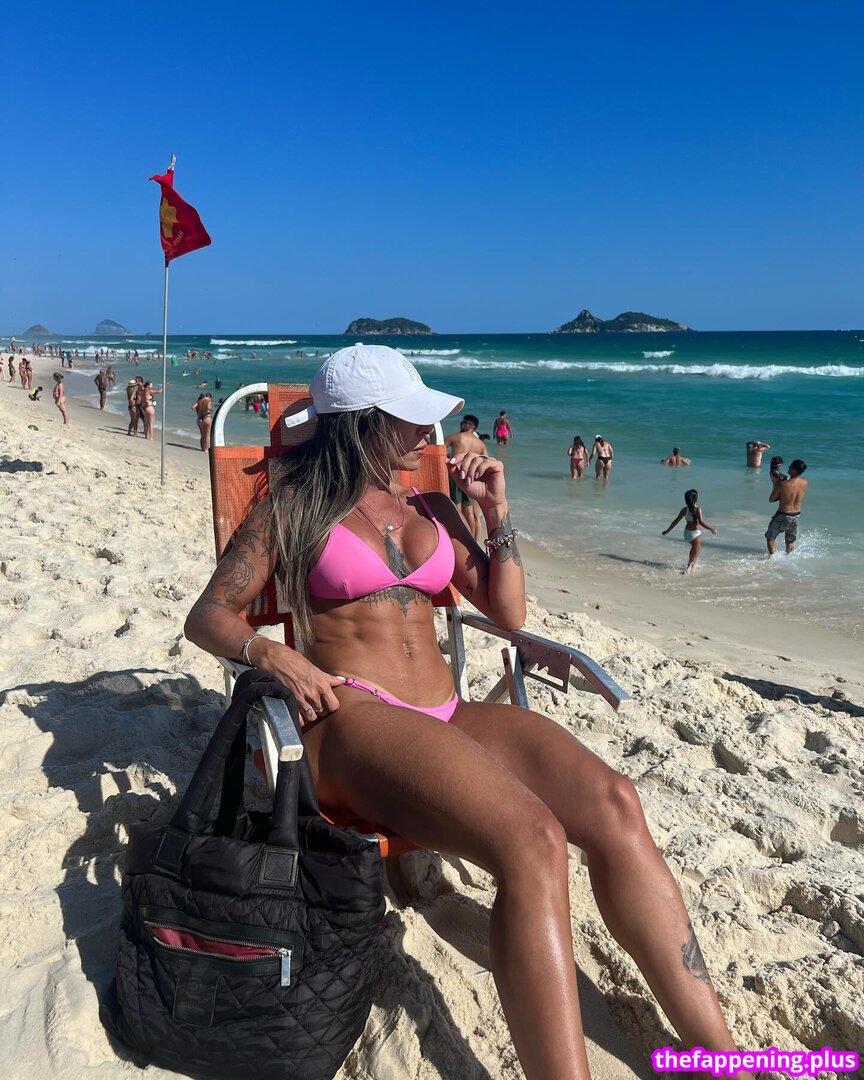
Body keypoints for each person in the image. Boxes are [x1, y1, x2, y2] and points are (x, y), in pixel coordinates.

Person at [184, 343, 753, 1080]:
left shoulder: (432, 507)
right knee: (533, 840)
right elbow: (208, 615)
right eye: (409, 418)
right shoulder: (291, 512)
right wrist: (273, 654)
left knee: (615, 802)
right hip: (351, 721)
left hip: (445, 711)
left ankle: (729, 1059)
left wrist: (495, 511)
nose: (428, 433)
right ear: (360, 424)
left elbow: (509, 613)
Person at [445, 414, 487, 540]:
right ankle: (472, 540)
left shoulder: (455, 437)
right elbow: (485, 461)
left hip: (455, 474)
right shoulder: (480, 444)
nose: (461, 425)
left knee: (456, 508)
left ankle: (458, 538)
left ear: (468, 425)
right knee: (469, 511)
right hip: (471, 476)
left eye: (462, 423)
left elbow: (438, 452)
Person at [662, 488, 717, 573]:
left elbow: (676, 521)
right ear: (695, 499)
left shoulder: (685, 510)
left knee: (693, 549)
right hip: (695, 534)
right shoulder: (698, 509)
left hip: (687, 533)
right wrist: (711, 529)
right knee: (695, 554)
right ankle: (688, 570)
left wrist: (667, 531)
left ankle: (688, 567)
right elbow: (701, 522)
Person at [766, 459, 808, 555]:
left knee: (770, 538)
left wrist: (776, 484)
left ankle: (773, 559)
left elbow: (771, 499)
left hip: (783, 515)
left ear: (795, 470)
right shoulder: (805, 482)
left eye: (791, 466)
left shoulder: (784, 484)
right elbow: (792, 487)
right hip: (796, 516)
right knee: (789, 541)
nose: (788, 467)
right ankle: (788, 558)